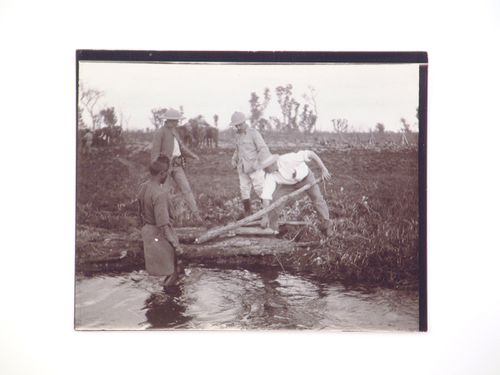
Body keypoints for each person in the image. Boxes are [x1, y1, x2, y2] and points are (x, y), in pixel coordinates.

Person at [257, 150, 334, 237]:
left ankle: (326, 224)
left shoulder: (289, 159)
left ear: (272, 163)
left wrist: (323, 169)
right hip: (288, 185)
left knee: (317, 198)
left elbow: (311, 154)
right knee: (276, 202)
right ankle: (272, 230)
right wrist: (265, 216)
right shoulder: (270, 175)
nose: (264, 170)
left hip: (306, 178)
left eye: (265, 168)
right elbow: (266, 196)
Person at [151, 108, 204, 224]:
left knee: (187, 190)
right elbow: (155, 153)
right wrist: (156, 170)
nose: (177, 123)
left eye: (177, 121)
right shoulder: (160, 133)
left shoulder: (174, 132)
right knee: (164, 193)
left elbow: (181, 148)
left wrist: (193, 155)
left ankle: (197, 216)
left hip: (178, 166)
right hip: (164, 168)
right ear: (169, 120)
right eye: (176, 121)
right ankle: (164, 219)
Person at [137, 158, 180, 287]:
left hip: (147, 232)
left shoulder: (143, 187)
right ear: (161, 173)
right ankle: (168, 300)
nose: (167, 175)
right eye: (166, 172)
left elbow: (139, 210)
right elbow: (163, 224)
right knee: (173, 271)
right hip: (158, 234)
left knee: (167, 269)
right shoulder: (160, 194)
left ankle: (162, 298)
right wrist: (174, 243)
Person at [230, 111, 270, 217]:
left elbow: (263, 149)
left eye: (239, 124)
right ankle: (248, 213)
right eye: (236, 125)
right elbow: (238, 150)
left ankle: (267, 213)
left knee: (260, 188)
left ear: (244, 122)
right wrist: (234, 159)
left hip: (255, 167)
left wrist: (257, 162)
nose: (238, 127)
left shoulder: (254, 133)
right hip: (242, 167)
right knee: (244, 189)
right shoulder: (237, 136)